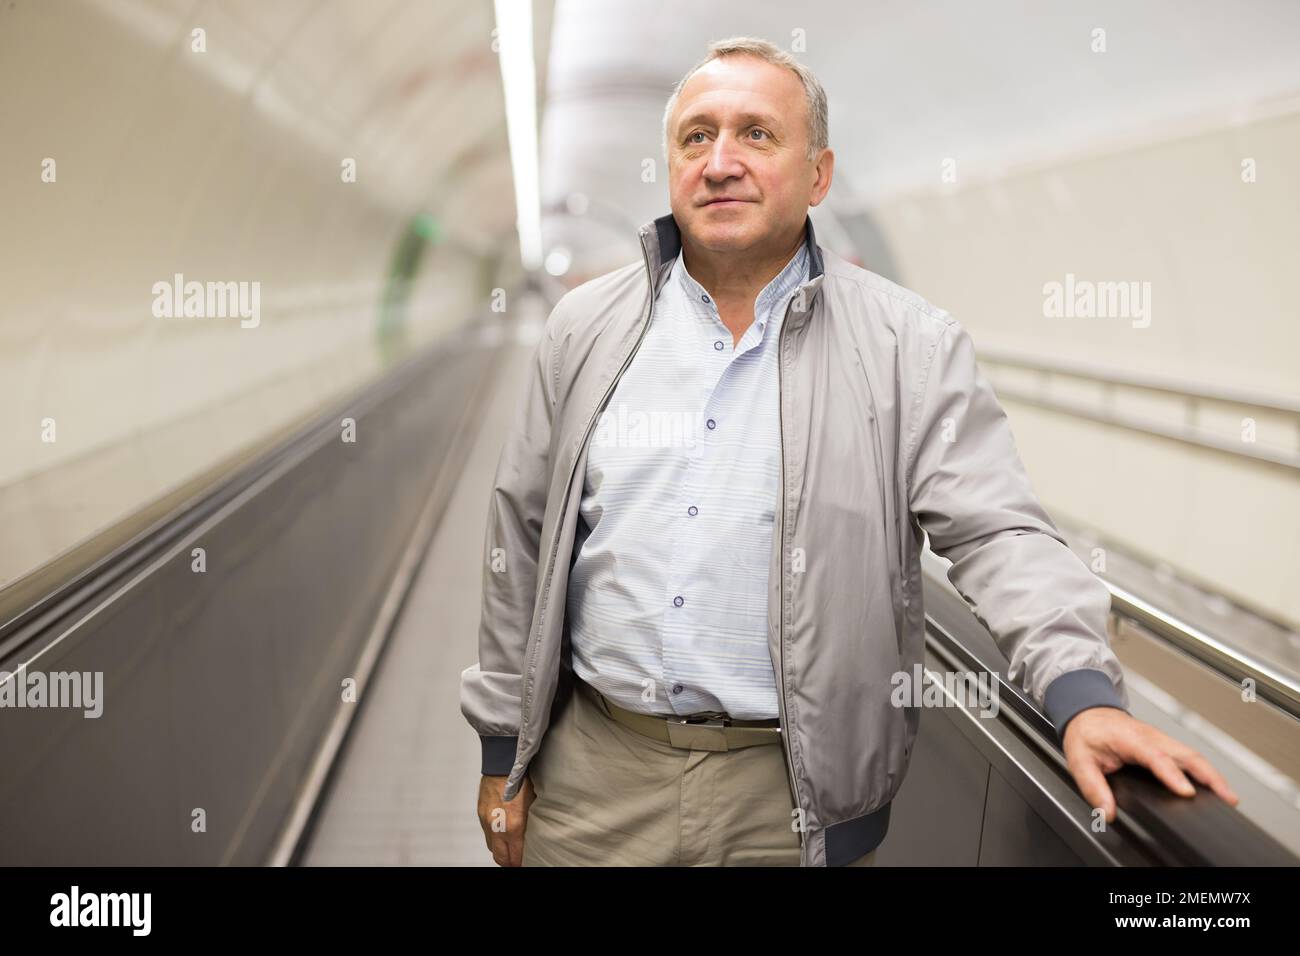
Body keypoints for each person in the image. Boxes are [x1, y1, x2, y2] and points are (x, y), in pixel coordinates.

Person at [460, 36, 1239, 867]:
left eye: (756, 135)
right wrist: (503, 751)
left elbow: (996, 532)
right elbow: (523, 535)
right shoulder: (586, 329)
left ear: (819, 175)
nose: (721, 161)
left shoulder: (909, 346)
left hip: (791, 801)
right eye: (697, 137)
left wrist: (1081, 693)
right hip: (594, 785)